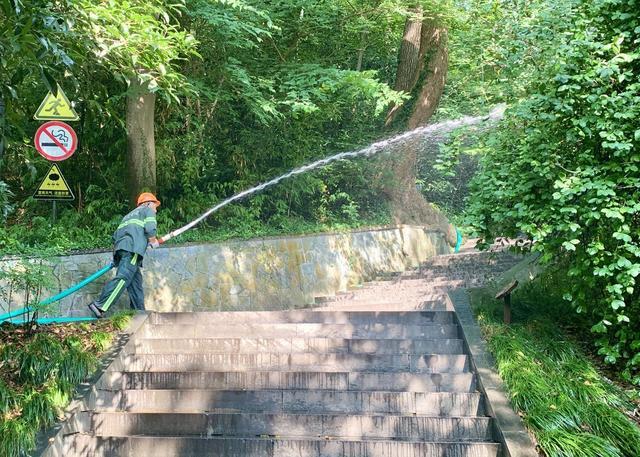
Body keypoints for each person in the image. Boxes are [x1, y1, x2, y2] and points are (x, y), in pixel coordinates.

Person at [88, 192, 161, 318]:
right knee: (123, 278)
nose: (155, 210)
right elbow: (150, 228)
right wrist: (153, 240)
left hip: (121, 249)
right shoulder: (147, 210)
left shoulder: (128, 216)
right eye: (155, 206)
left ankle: (139, 312)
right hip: (132, 250)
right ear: (148, 203)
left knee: (135, 283)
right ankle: (100, 305)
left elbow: (115, 236)